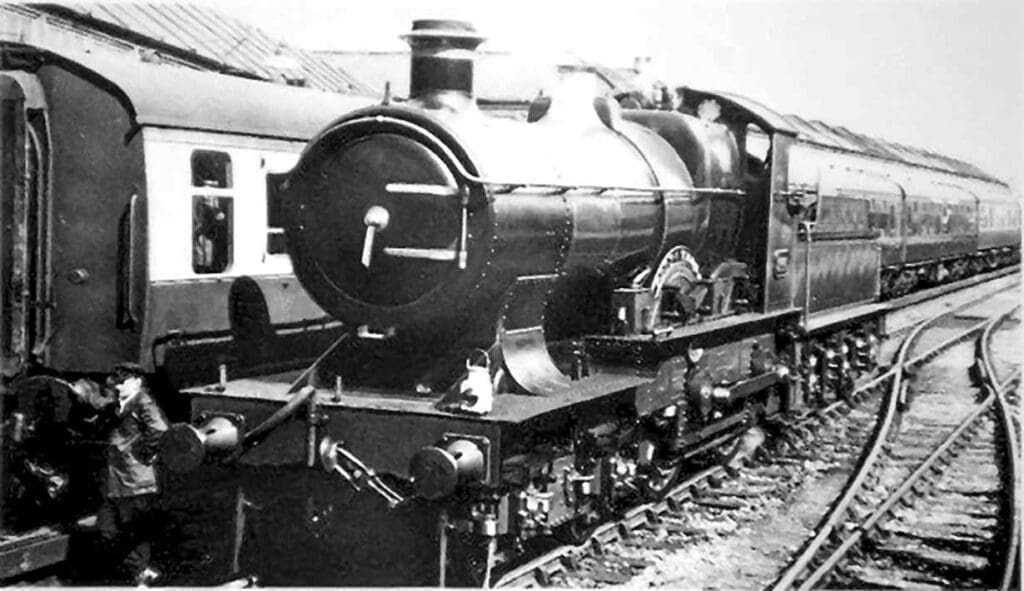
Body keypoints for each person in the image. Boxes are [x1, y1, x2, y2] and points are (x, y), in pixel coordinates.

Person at [72, 363, 168, 586]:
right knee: (108, 528)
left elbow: (160, 429)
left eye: (122, 382)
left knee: (132, 529)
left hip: (135, 479)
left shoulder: (143, 401)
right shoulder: (118, 403)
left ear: (136, 381)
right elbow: (99, 412)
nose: (118, 386)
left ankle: (139, 574)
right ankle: (138, 571)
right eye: (116, 383)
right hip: (115, 478)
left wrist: (139, 450)